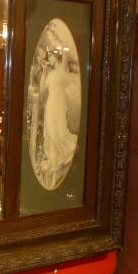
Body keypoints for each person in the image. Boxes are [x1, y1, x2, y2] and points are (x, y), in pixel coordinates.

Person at [39, 45, 77, 189]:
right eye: (48, 56)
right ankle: (53, 158)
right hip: (51, 104)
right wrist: (44, 70)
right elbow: (42, 88)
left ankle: (59, 158)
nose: (49, 58)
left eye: (51, 56)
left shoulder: (62, 69)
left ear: (57, 57)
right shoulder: (50, 73)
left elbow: (66, 53)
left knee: (59, 131)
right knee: (50, 132)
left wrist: (63, 50)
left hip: (59, 104)